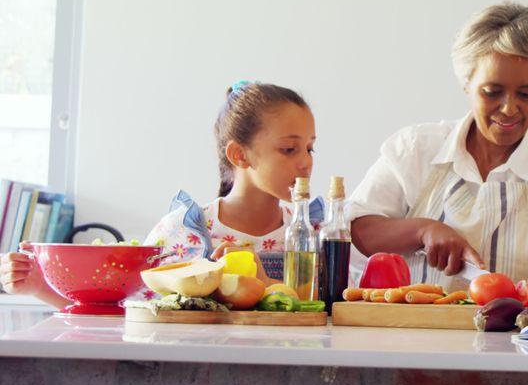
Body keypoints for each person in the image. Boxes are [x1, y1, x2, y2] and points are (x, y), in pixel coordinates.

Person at [346, 2, 528, 302]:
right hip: (413, 341)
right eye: (493, 92)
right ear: (467, 83)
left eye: (526, 93)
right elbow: (356, 231)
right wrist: (424, 230)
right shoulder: (416, 149)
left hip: (524, 348)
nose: (509, 108)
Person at [1, 81, 316, 305]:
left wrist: (263, 283)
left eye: (310, 148)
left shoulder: (317, 234)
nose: (305, 162)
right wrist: (37, 286)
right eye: (289, 149)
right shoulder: (182, 231)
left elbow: (330, 312)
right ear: (239, 155)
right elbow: (126, 318)